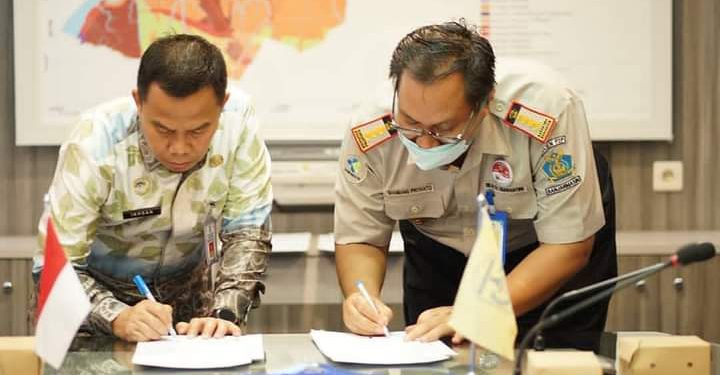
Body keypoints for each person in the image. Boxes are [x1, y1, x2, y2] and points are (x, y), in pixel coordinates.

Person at [334, 20, 617, 344]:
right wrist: (362, 297)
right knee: (435, 350)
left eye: (443, 129)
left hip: (539, 250)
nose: (424, 144)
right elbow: (362, 237)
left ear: (484, 105)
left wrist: (477, 311)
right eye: (411, 124)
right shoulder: (370, 129)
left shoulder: (547, 110)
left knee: (555, 357)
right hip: (440, 250)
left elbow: (567, 244)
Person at [32, 34, 273, 342]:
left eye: (199, 130)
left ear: (222, 105)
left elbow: (248, 231)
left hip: (189, 303)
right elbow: (55, 267)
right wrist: (116, 316)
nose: (180, 148)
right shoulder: (96, 140)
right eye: (163, 129)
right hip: (91, 305)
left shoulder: (238, 121)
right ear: (138, 102)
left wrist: (223, 314)